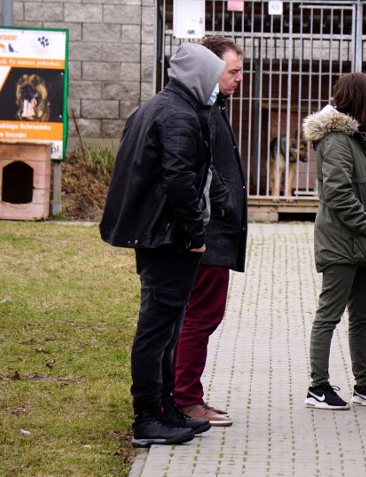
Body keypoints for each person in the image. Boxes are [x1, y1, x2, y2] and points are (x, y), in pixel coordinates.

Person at [99, 43, 226, 447]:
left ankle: (165, 408)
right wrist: (195, 234)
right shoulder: (179, 115)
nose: (218, 86)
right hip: (168, 236)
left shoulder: (156, 106)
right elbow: (178, 180)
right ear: (199, 77)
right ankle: (147, 417)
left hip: (155, 232)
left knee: (168, 325)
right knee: (157, 327)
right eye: (216, 76)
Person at [302, 72, 366, 410]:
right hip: (343, 243)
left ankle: (364, 384)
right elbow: (338, 192)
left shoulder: (357, 137)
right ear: (360, 100)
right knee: (330, 314)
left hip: (360, 244)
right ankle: (318, 387)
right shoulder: (338, 140)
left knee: (362, 314)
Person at [172, 37, 247, 427]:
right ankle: (185, 398)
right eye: (233, 70)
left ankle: (183, 393)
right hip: (209, 234)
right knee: (200, 317)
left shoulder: (214, 107)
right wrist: (226, 202)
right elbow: (200, 168)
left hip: (215, 233)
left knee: (200, 316)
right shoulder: (202, 110)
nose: (240, 77)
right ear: (209, 70)